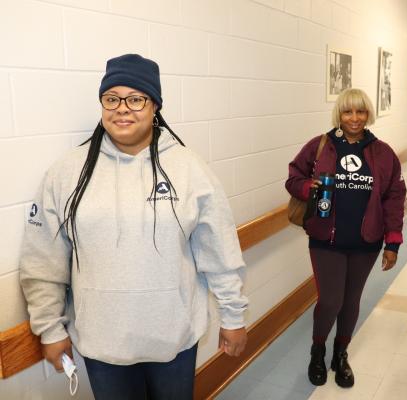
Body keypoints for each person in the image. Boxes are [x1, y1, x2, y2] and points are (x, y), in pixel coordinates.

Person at [19, 54, 248, 400]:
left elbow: (220, 250)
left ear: (154, 105)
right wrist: (49, 330)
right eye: (111, 98)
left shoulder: (189, 170)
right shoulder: (66, 173)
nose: (122, 108)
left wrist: (233, 316)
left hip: (174, 344)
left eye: (135, 98)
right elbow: (43, 259)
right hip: (103, 349)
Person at [286, 88, 406, 388]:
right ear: (339, 114)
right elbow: (293, 177)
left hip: (366, 242)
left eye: (361, 111)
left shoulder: (382, 153)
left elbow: (394, 198)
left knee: (351, 301)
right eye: (348, 111)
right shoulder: (320, 146)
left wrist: (392, 242)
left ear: (368, 115)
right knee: (330, 300)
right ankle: (318, 350)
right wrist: (307, 188)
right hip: (326, 239)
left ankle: (341, 354)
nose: (354, 118)